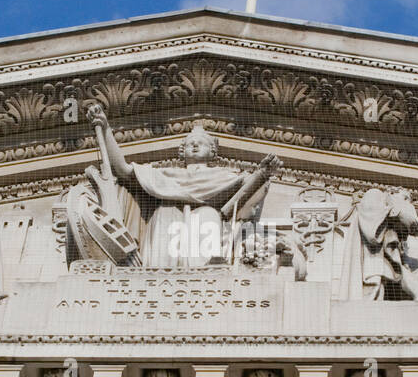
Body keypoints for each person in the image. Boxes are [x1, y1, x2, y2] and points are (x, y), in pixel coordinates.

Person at [79, 103, 279, 268]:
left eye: (201, 143)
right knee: (166, 214)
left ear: (212, 152)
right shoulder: (164, 175)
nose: (194, 145)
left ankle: (207, 272)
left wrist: (262, 174)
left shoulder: (225, 176)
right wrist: (105, 128)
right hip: (166, 219)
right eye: (191, 142)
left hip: (205, 218)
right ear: (182, 152)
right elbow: (122, 169)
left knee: (208, 215)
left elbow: (244, 198)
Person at [339, 188, 418, 300]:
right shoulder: (375, 194)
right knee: (376, 284)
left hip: (388, 250)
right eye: (405, 198)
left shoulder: (393, 209)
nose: (407, 203)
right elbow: (370, 228)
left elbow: (413, 226)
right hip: (373, 253)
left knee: (394, 276)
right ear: (392, 193)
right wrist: (398, 213)